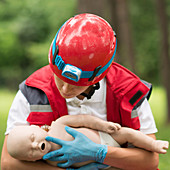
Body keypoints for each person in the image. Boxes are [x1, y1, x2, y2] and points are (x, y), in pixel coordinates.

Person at [1, 13, 160, 170]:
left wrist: (99, 153)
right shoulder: (33, 91)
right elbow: (8, 163)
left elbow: (150, 161)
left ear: (98, 77)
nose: (64, 89)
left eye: (75, 85)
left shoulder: (129, 91)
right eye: (59, 78)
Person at [7, 114, 168, 169]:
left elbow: (83, 120)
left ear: (37, 127)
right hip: (103, 164)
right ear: (33, 160)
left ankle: (153, 144)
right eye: (31, 151)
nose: (35, 145)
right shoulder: (50, 162)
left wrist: (103, 125)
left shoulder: (58, 124)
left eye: (33, 139)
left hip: (105, 138)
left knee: (126, 133)